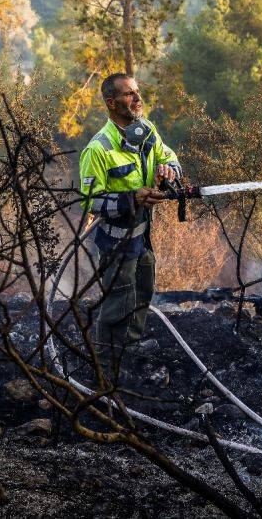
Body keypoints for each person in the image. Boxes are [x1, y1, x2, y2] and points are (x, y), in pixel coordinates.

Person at [78, 72, 181, 382]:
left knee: (143, 292)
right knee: (117, 304)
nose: (138, 99)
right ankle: (105, 375)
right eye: (128, 94)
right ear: (111, 103)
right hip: (115, 245)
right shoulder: (98, 149)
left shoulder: (146, 132)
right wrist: (131, 198)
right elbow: (90, 201)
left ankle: (130, 350)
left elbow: (171, 157)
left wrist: (170, 172)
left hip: (142, 238)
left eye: (137, 92)